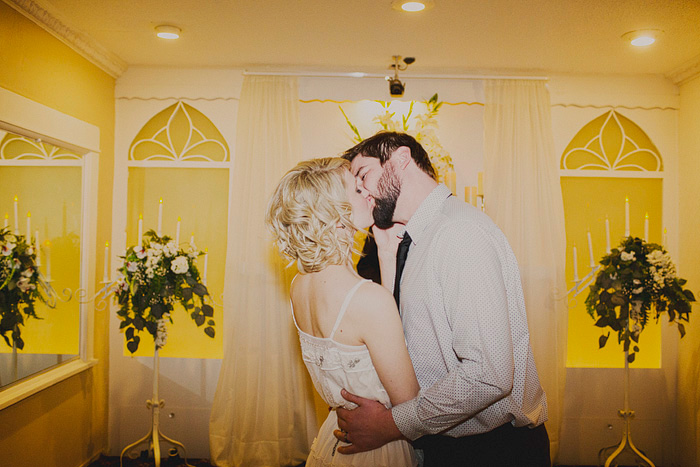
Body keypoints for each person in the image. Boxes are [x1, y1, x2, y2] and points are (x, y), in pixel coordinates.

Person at [336, 131, 551, 467]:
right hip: (452, 446)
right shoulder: (417, 235)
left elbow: (488, 374)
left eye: (363, 175)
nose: (361, 193)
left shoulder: (458, 233)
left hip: (492, 452)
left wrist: (391, 424)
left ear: (401, 159)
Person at [265, 157, 419, 467]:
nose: (366, 190)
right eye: (356, 189)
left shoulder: (300, 285)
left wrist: (386, 257)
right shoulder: (367, 299)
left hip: (334, 437)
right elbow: (410, 405)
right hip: (378, 448)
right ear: (336, 218)